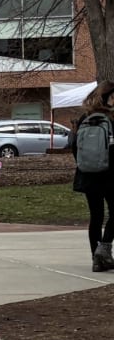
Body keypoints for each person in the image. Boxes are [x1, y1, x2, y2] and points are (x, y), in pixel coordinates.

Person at [66, 80, 114, 271]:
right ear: (108, 97)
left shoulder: (85, 118)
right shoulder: (111, 119)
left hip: (87, 174)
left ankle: (96, 259)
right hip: (110, 174)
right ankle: (104, 249)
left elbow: (74, 146)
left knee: (96, 216)